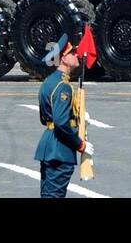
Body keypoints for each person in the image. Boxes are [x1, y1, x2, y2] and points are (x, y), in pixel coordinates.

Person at [34, 34, 92, 198]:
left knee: (48, 194)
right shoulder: (63, 87)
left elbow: (44, 117)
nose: (77, 55)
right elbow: (61, 123)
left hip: (49, 144)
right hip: (60, 149)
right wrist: (79, 144)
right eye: (73, 53)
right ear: (64, 58)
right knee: (54, 195)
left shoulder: (49, 81)